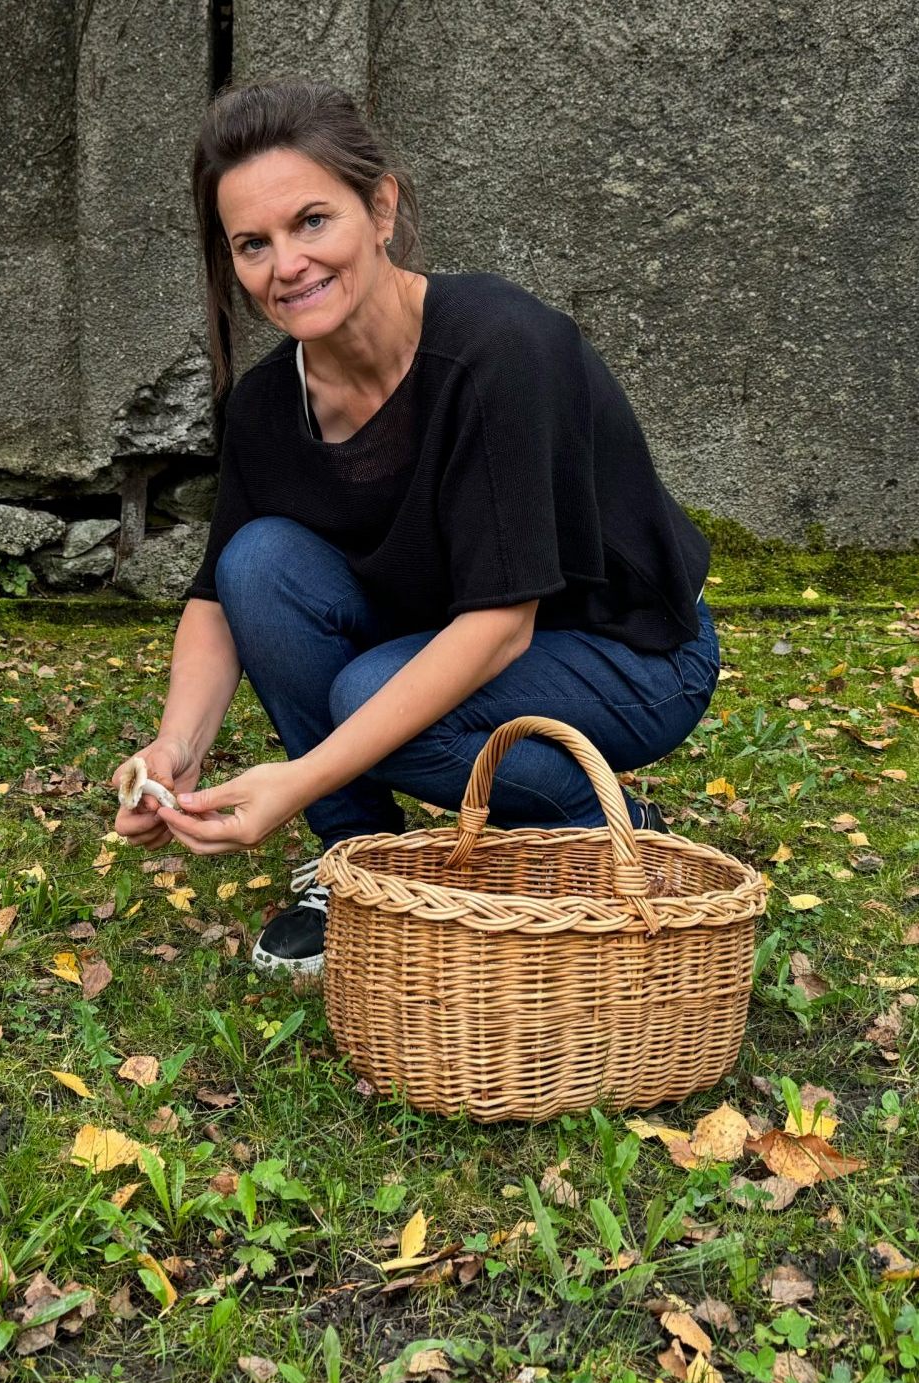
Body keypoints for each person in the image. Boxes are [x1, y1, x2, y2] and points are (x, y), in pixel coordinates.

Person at [111, 79, 718, 976]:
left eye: (312, 221)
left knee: (368, 697)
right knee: (257, 563)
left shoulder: (500, 350)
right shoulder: (270, 406)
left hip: (629, 652)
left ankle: (596, 824)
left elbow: (499, 625)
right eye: (253, 243)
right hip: (452, 636)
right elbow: (215, 596)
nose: (286, 265)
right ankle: (356, 863)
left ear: (381, 207)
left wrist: (295, 779)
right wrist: (177, 748)